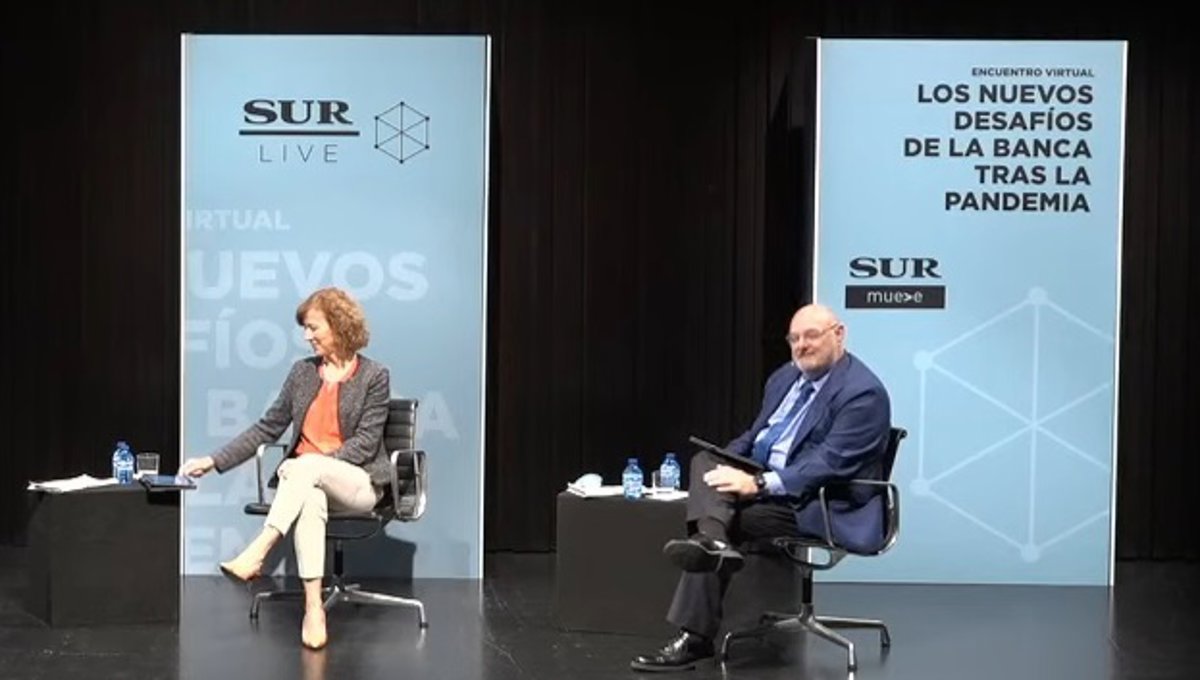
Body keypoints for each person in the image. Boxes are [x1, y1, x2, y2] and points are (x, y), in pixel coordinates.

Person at [630, 303, 892, 672]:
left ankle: (696, 636)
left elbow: (827, 464)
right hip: (772, 483)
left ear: (839, 334)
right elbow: (756, 436)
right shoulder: (785, 378)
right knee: (705, 465)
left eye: (811, 336)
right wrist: (725, 461)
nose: (801, 345)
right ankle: (712, 542)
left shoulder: (863, 394)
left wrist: (756, 483)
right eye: (794, 338)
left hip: (821, 502)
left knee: (733, 516)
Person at [180, 287, 392, 651]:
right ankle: (314, 610)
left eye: (313, 327)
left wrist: (315, 465)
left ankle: (259, 550)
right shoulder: (302, 373)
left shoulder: (374, 375)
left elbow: (365, 444)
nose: (307, 336)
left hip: (357, 482)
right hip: (306, 484)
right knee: (309, 498)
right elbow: (267, 428)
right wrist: (213, 461)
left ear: (339, 325)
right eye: (305, 328)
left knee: (304, 467)